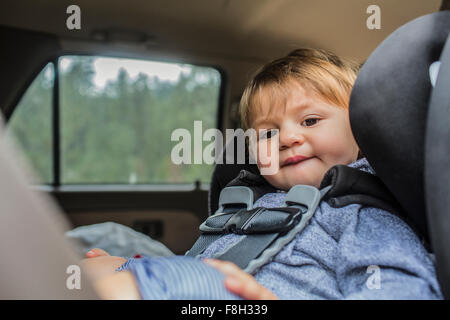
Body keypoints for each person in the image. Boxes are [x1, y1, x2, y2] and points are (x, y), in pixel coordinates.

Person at [81, 48, 442, 300]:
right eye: (267, 133)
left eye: (311, 121)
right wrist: (132, 265)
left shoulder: (361, 212)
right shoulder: (249, 205)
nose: (286, 138)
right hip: (206, 288)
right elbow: (201, 262)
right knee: (90, 266)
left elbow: (401, 290)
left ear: (361, 129)